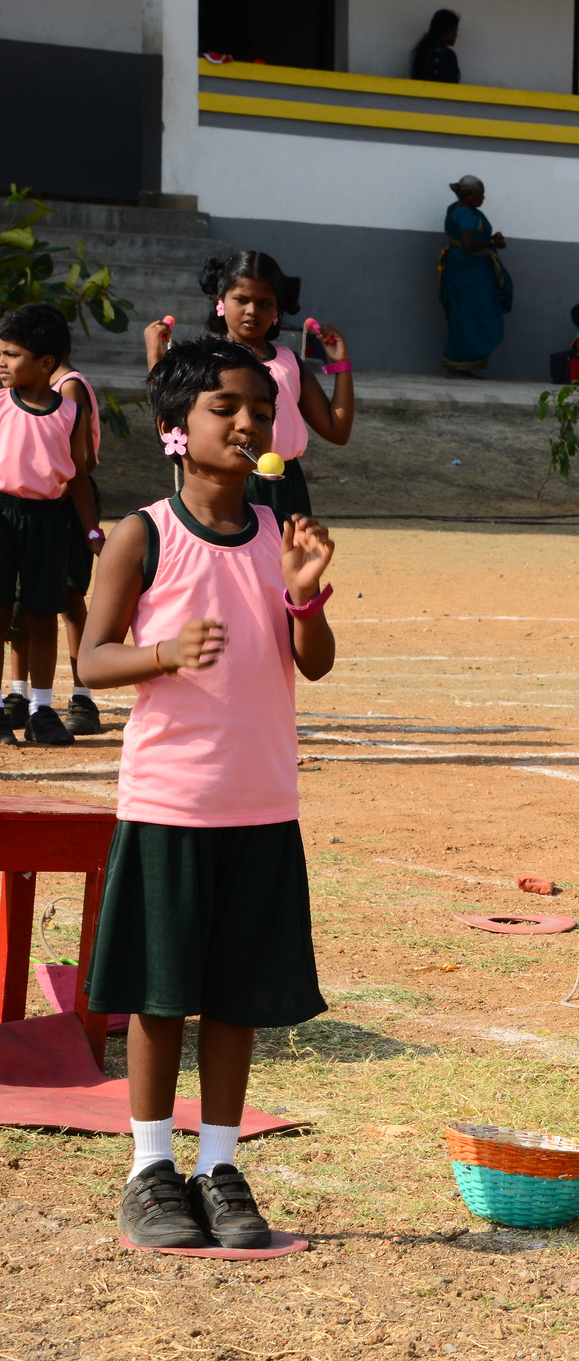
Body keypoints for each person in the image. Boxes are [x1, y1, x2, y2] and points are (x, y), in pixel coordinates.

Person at [76, 337, 337, 1249]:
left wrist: (304, 597)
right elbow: (92, 658)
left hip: (261, 802)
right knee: (160, 995)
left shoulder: (280, 534)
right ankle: (150, 1168)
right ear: (173, 429)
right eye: (225, 408)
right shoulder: (144, 534)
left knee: (236, 996)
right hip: (170, 803)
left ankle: (219, 1166)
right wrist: (164, 653)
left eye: (261, 410)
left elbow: (315, 662)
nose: (248, 424)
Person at [147, 250, 355, 524]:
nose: (252, 311)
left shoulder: (290, 364)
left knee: (286, 551)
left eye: (265, 303)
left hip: (284, 486)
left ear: (277, 310)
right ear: (221, 301)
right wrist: (155, 356)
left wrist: (341, 364)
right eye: (241, 300)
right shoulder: (204, 361)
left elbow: (337, 431)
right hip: (223, 480)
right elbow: (169, 411)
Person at [5, 318, 107, 738]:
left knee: (44, 616)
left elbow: (79, 476)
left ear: (46, 362)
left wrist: (93, 533)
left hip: (47, 521)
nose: (2, 361)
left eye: (11, 354)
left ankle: (41, 711)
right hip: (2, 515)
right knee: (2, 615)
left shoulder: (70, 412)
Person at [438, 176, 512, 378]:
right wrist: (492, 243)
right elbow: (468, 244)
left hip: (468, 270)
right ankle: (456, 366)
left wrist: (491, 240)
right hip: (468, 272)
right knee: (470, 316)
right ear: (470, 195)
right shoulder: (465, 213)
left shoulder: (459, 209)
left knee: (467, 315)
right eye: (481, 194)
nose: (483, 198)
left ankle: (463, 366)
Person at [410, 9, 462, 84]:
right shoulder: (447, 55)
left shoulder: (422, 52)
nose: (456, 34)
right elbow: (446, 86)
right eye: (455, 30)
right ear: (448, 30)